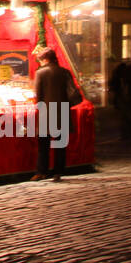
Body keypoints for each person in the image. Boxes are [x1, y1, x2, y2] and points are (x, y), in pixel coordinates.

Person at [30, 47, 81, 181]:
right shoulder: (65, 72)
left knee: (43, 145)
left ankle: (42, 171)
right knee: (60, 145)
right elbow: (73, 92)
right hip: (63, 110)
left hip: (46, 112)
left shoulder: (40, 73)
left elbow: (38, 95)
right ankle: (58, 172)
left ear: (45, 59)